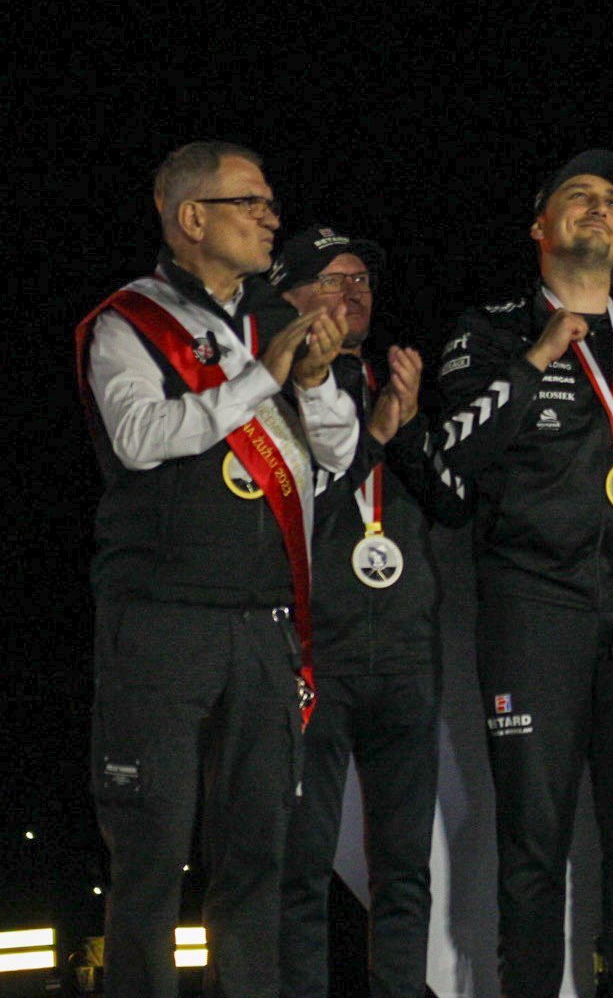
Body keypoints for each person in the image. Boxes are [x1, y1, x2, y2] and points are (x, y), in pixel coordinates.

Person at [76, 141, 358, 996]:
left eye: (271, 202)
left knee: (257, 858)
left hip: (265, 623)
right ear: (192, 217)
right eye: (252, 202)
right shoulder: (128, 321)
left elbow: (337, 457)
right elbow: (140, 438)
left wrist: (315, 383)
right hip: (161, 621)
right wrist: (258, 381)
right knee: (151, 855)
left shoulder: (279, 317)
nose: (271, 217)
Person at [435, 150, 613, 997]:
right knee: (532, 842)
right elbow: (452, 459)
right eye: (578, 196)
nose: (599, 207)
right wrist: (537, 358)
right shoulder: (489, 331)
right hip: (533, 601)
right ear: (539, 226)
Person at [272, 228, 470, 998]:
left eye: (362, 280)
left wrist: (408, 426)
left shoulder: (396, 380)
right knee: (301, 865)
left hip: (406, 660)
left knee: (404, 871)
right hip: (313, 657)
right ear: (288, 293)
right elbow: (293, 519)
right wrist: (376, 435)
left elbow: (453, 504)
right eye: (333, 279)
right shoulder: (270, 391)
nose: (353, 291)